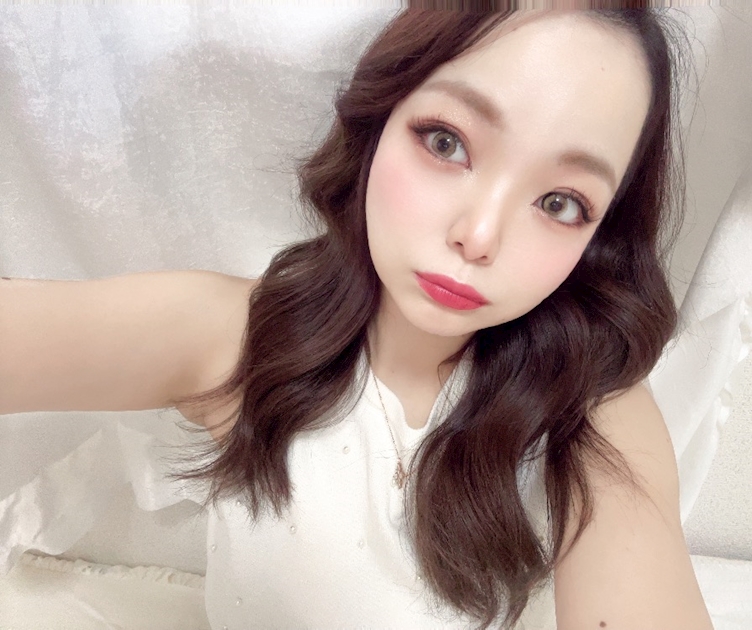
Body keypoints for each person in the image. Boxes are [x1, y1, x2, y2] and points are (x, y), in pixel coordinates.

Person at [0, 8, 714, 630]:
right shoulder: (237, 339)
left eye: (560, 202)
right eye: (447, 142)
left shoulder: (594, 412)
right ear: (380, 121)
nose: (479, 236)